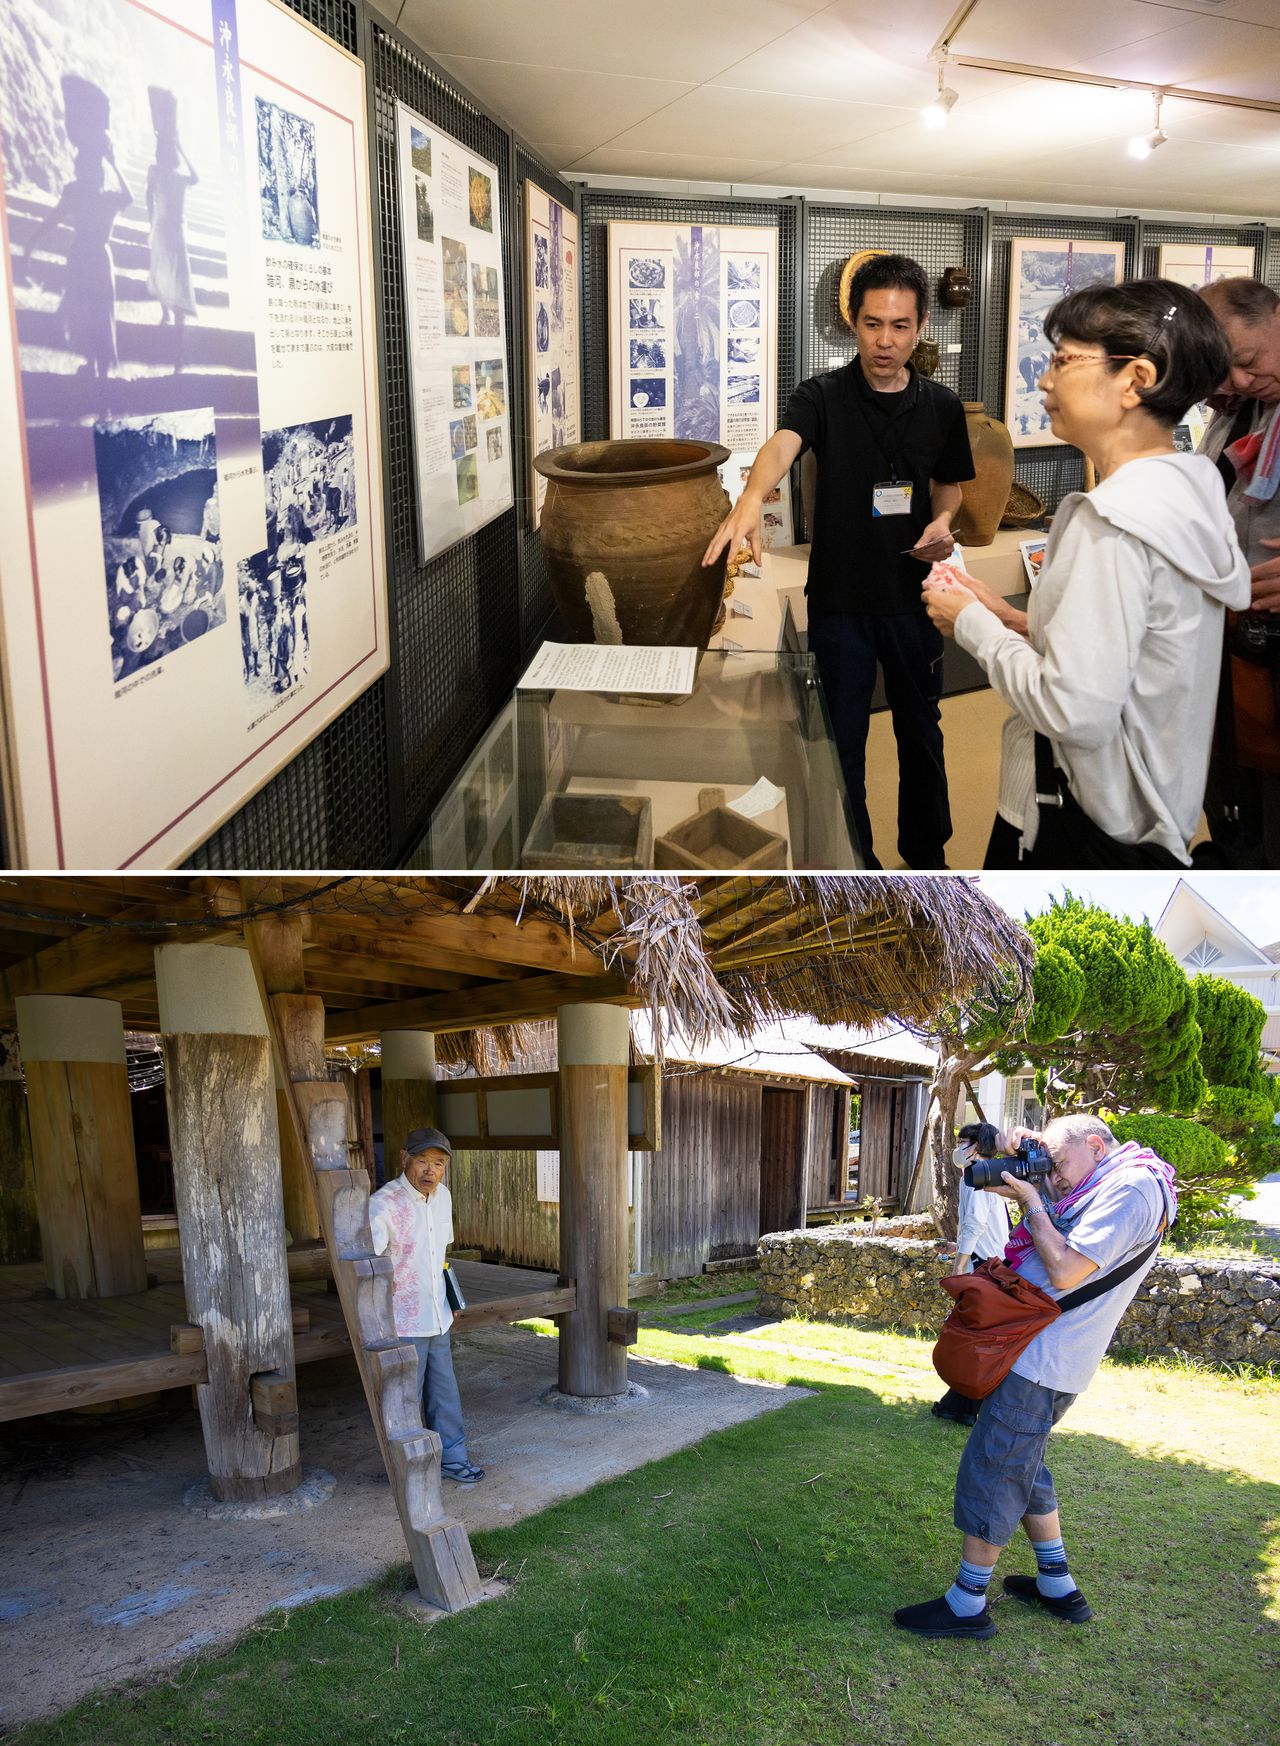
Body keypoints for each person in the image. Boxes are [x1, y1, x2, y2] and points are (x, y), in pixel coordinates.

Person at [922, 277, 1250, 868]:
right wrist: (1010, 618)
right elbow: (1128, 654)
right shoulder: (1188, 489)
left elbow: (1071, 711)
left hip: (1079, 820)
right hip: (1150, 815)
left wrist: (973, 624)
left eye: (1064, 360)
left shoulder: (1112, 523)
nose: (1045, 380)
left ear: (1136, 379)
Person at [703, 254, 974, 869]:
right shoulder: (821, 396)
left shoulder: (942, 406)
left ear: (922, 326)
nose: (886, 341)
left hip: (914, 597)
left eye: (900, 326)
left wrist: (942, 522)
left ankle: (927, 859)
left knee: (922, 733)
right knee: (841, 742)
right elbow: (784, 444)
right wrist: (752, 496)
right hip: (841, 602)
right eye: (873, 324)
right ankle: (857, 864)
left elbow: (950, 486)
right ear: (854, 322)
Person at [894, 1114, 1177, 1640]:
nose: (1055, 1175)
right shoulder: (1102, 1183)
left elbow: (1067, 1268)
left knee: (996, 1469)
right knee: (1025, 1466)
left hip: (1043, 1359)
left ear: (1095, 1146)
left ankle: (967, 1604)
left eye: (1059, 1162)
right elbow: (1058, 1220)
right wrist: (1017, 1164)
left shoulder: (1134, 1188)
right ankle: (1057, 1586)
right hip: (1038, 1352)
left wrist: (1031, 1201)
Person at [1196, 277, 1280, 866]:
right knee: (1239, 822)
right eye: (1226, 371)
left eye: (1249, 361)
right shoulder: (1238, 410)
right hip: (1235, 653)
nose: (1242, 381)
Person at [367, 1126, 484, 1486]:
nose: (430, 1170)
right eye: (422, 1160)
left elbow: (440, 1255)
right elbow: (367, 1266)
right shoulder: (383, 1204)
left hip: (437, 1315)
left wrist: (450, 1296)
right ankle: (405, 1470)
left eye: (438, 1163)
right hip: (402, 1320)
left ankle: (453, 1458)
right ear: (404, 1158)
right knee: (405, 1400)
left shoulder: (443, 1197)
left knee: (445, 1391)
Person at [932, 1134, 1012, 1426]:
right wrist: (958, 1248)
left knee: (974, 1339)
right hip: (993, 1267)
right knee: (976, 1338)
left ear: (976, 1147)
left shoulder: (976, 1176)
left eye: (964, 1141)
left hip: (985, 1271)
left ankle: (965, 1406)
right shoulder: (987, 1175)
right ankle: (959, 1405)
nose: (959, 1147)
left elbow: (975, 1224)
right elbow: (986, 1230)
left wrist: (959, 1266)